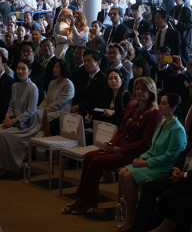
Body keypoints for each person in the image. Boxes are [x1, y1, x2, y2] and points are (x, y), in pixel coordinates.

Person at [62, 77, 162, 215]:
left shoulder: (154, 113)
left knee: (97, 161)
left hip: (134, 153)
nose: (139, 92)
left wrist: (119, 149)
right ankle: (83, 197)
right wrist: (110, 144)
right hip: (120, 147)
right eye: (137, 88)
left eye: (143, 89)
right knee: (90, 156)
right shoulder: (132, 106)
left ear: (151, 92)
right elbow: (121, 130)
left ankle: (86, 199)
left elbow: (146, 142)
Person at [115, 91, 187, 232]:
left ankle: (132, 219)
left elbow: (170, 157)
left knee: (128, 176)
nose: (160, 105)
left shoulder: (177, 129)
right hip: (154, 162)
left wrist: (147, 163)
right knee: (122, 172)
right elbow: (152, 147)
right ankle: (131, 215)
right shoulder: (162, 123)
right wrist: (141, 158)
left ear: (173, 108)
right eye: (160, 102)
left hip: (165, 168)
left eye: (164, 103)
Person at [0, 60, 41, 180]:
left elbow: (31, 111)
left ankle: (1, 168)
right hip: (14, 121)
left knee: (3, 135)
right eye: (18, 69)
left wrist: (13, 121)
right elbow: (11, 106)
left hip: (28, 125)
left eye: (23, 69)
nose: (20, 71)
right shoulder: (15, 86)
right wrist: (7, 117)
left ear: (29, 71)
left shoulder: (32, 88)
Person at [35, 59, 75, 137]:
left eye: (57, 67)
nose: (54, 69)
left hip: (61, 113)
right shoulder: (52, 82)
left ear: (63, 69)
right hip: (49, 111)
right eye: (54, 67)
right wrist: (39, 109)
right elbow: (46, 100)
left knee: (39, 117)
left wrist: (43, 111)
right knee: (35, 114)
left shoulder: (68, 85)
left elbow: (59, 104)